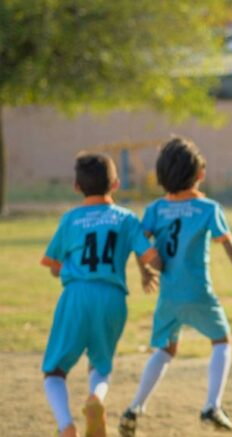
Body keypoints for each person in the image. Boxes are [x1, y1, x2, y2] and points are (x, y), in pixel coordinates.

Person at [119, 138, 232, 436]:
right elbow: (228, 244)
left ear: (162, 176)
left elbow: (140, 243)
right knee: (222, 341)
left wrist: (145, 272)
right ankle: (212, 406)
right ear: (200, 174)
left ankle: (134, 407)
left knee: (166, 349)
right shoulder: (208, 208)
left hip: (168, 295)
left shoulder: (155, 209)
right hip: (198, 293)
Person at [41, 153, 161, 437]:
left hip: (76, 296)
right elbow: (150, 256)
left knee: (55, 372)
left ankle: (66, 427)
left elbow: (54, 266)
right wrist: (148, 268)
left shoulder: (70, 219)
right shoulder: (127, 218)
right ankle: (96, 398)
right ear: (116, 184)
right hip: (113, 298)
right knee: (100, 364)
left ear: (76, 186)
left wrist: (68, 268)